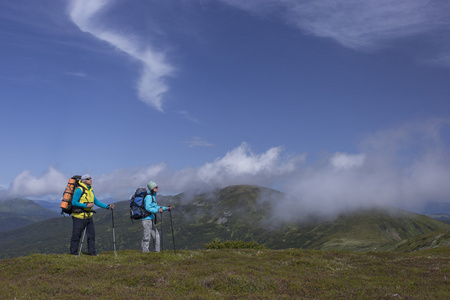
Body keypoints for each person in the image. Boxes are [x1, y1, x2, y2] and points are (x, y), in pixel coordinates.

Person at [70, 174, 114, 256]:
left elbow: (96, 202)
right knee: (76, 236)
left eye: (91, 178)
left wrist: (107, 207)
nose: (91, 180)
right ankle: (73, 253)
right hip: (78, 217)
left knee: (91, 235)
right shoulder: (79, 190)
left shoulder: (90, 190)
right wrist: (86, 206)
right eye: (88, 179)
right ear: (83, 180)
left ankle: (92, 253)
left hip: (88, 216)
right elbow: (74, 202)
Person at [142, 181, 171, 252]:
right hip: (146, 220)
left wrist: (165, 208)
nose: (157, 188)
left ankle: (156, 253)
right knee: (146, 237)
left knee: (156, 237)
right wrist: (158, 210)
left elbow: (156, 207)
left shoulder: (152, 197)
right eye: (156, 187)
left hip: (151, 220)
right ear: (152, 188)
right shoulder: (148, 197)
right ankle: (145, 254)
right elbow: (147, 208)